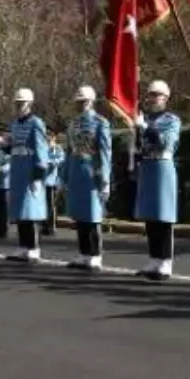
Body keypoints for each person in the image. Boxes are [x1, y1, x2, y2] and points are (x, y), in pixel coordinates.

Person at [133, 80, 181, 280]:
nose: (153, 98)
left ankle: (165, 262)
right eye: (151, 95)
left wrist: (144, 127)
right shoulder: (145, 118)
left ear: (166, 98)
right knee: (150, 216)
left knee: (163, 217)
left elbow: (165, 142)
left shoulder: (171, 120)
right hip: (148, 167)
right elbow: (139, 146)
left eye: (157, 95)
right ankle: (154, 259)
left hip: (162, 166)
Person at [63, 86, 111, 270]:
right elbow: (68, 151)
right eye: (79, 101)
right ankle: (83, 253)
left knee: (93, 215)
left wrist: (105, 178)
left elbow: (105, 152)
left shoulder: (100, 122)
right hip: (76, 170)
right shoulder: (73, 123)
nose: (80, 104)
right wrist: (64, 175)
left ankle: (95, 254)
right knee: (79, 216)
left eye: (84, 101)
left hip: (92, 171)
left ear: (91, 101)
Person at [1, 87, 51, 262]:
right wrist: (4, 144)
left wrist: (39, 173)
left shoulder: (36, 123)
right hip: (17, 170)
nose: (19, 105)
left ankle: (33, 247)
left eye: (22, 103)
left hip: (30, 169)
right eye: (17, 103)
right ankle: (23, 246)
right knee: (20, 211)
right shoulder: (14, 124)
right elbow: (11, 148)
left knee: (30, 211)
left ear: (29, 104)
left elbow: (41, 149)